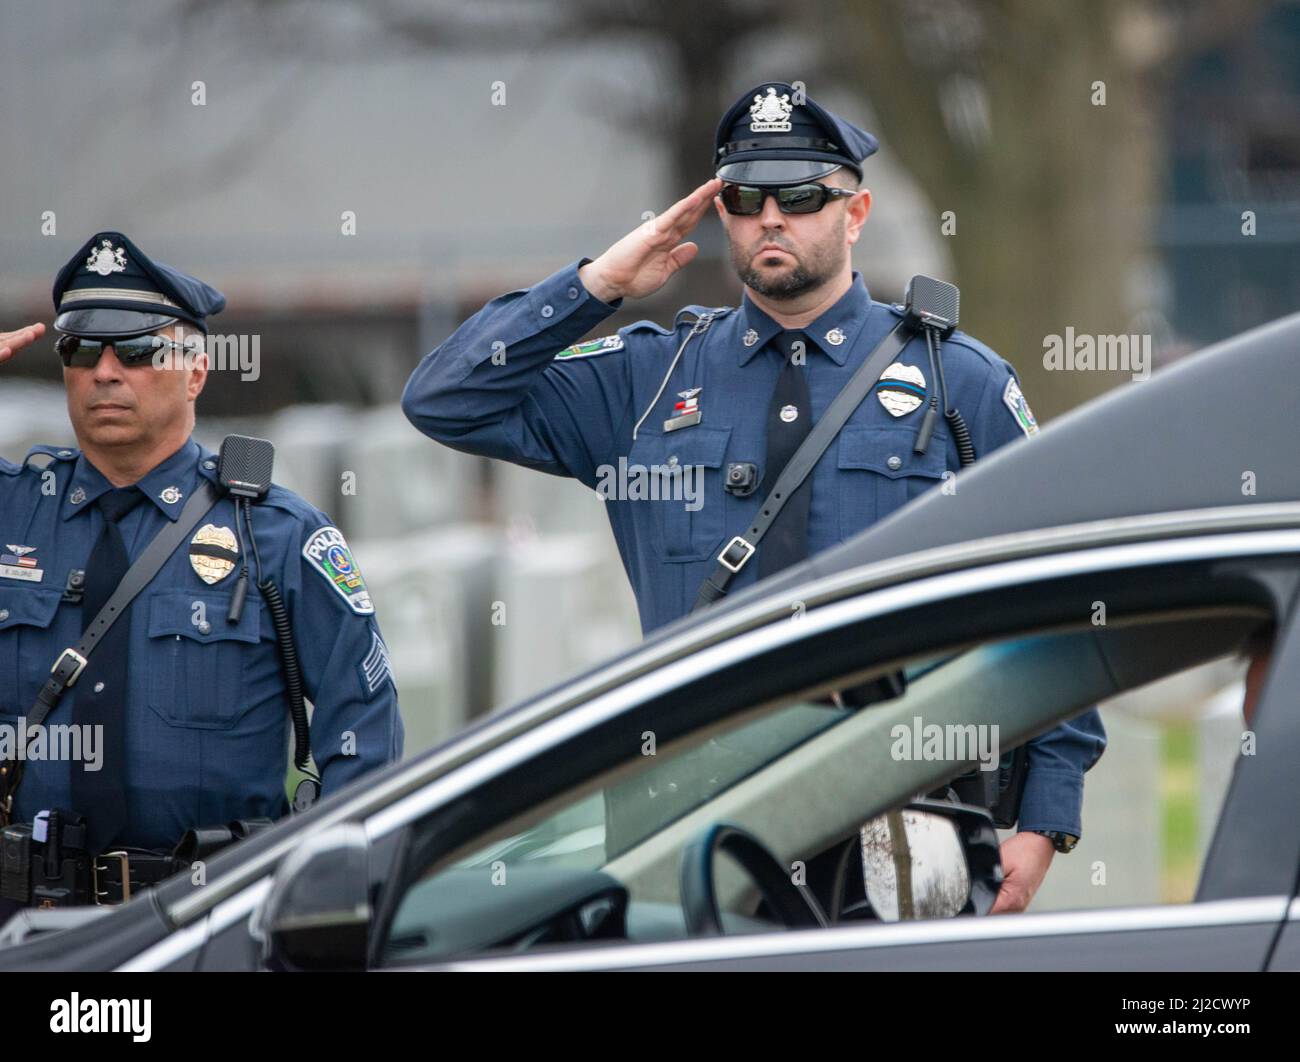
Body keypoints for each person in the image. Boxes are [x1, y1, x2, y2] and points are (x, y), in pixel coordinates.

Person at [401, 82, 1104, 913]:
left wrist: (1046, 813)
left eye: (802, 196)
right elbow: (445, 398)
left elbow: (1059, 591)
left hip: (906, 822)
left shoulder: (957, 382)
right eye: (744, 197)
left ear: (857, 211)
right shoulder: (651, 377)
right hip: (694, 830)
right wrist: (597, 284)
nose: (771, 217)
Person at [0, 232, 402, 911]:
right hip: (24, 925)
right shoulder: (14, 513)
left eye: (136, 350)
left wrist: (320, 902)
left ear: (195, 370)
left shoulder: (275, 534)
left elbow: (364, 735)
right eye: (79, 350)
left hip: (205, 924)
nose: (104, 371)